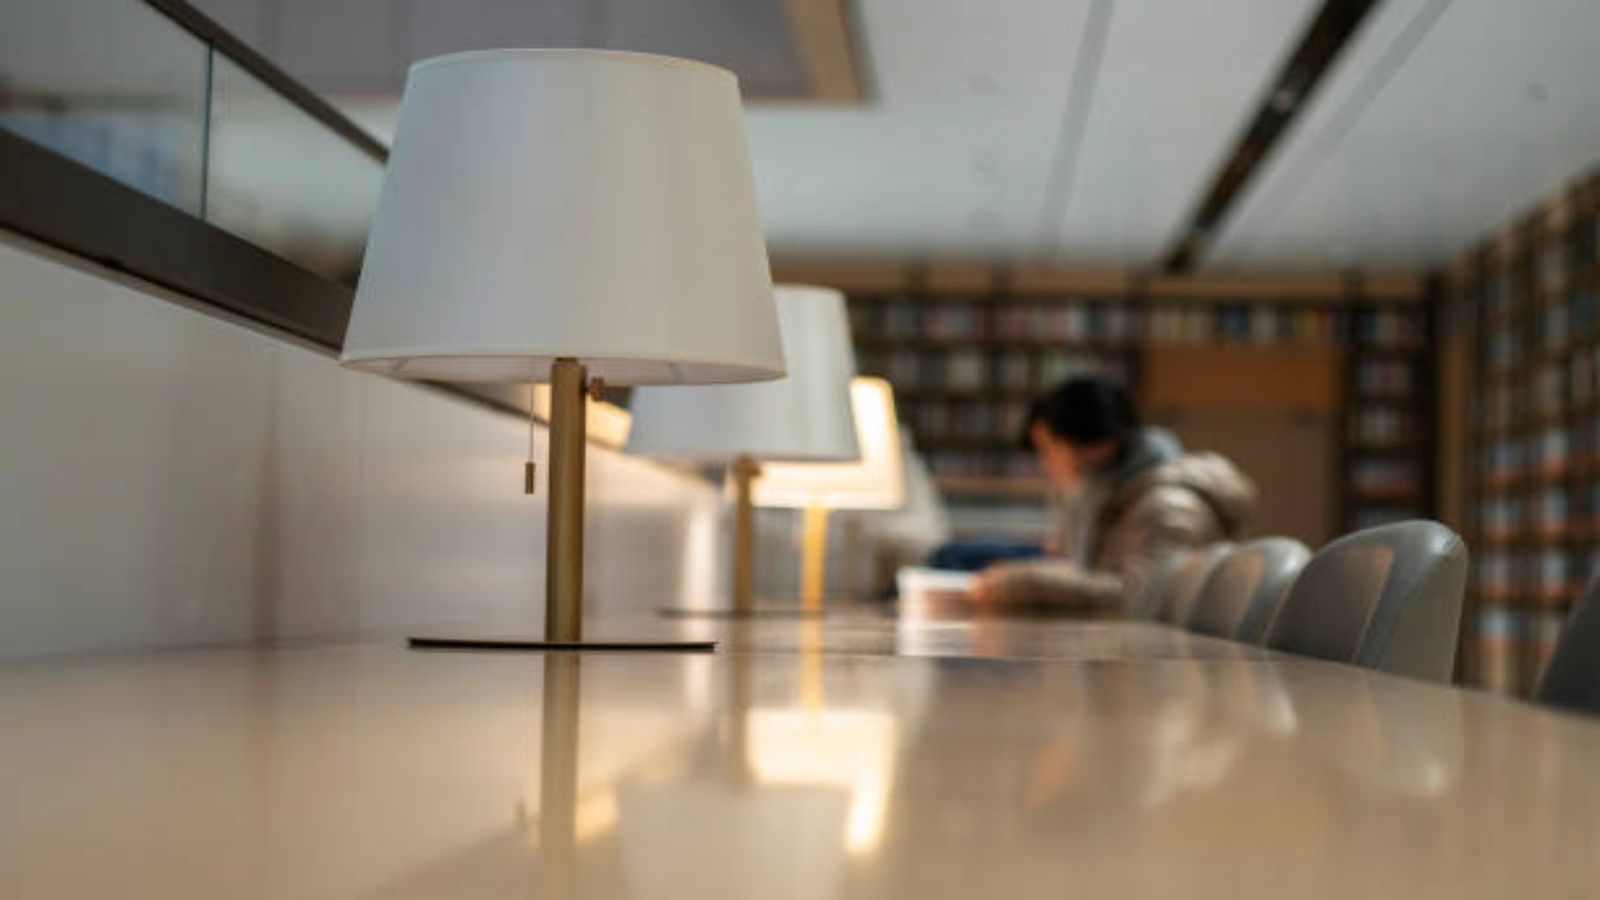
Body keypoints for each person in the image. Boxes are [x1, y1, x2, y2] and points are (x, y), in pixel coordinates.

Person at [970, 375, 1255, 614]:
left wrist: (1025, 584)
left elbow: (1140, 599)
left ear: (1099, 445)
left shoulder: (1167, 507)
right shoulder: (1108, 495)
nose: (1045, 465)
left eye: (1050, 449)